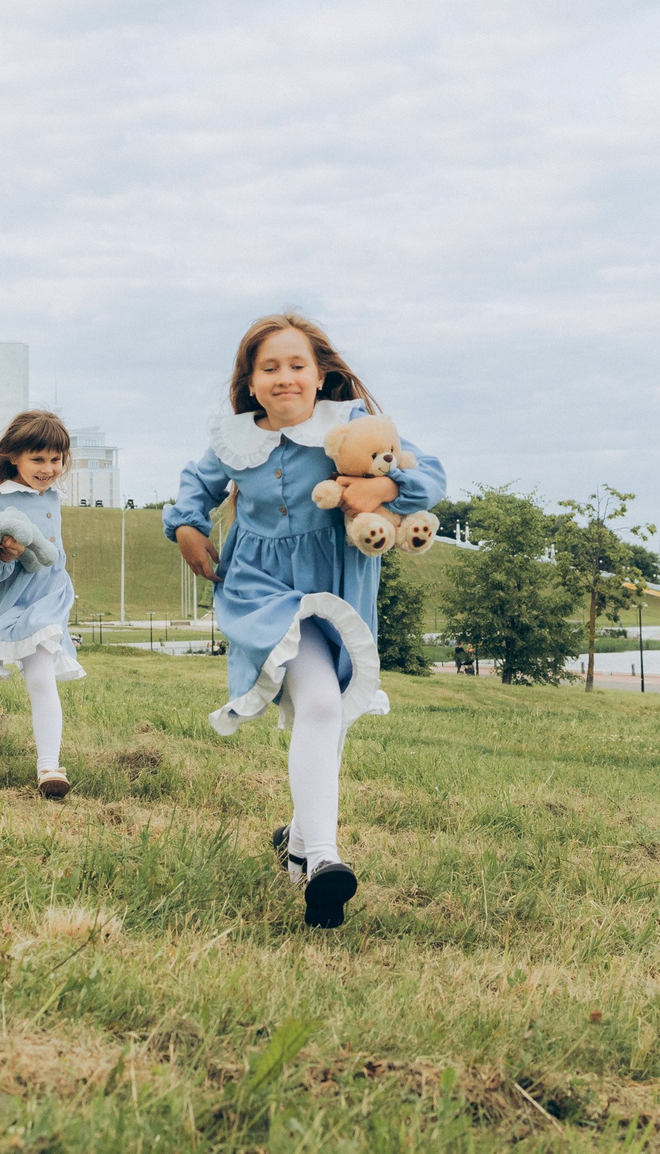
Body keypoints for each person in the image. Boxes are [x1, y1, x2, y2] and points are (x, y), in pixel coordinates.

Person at [166, 313, 444, 927]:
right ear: (250, 380)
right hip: (261, 589)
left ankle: (297, 839)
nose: (284, 378)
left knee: (331, 713)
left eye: (297, 366)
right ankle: (323, 861)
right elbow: (197, 485)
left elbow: (429, 478)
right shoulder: (235, 440)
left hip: (338, 586)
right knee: (318, 702)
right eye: (270, 368)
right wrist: (187, 527)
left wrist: (385, 491)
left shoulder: (350, 428)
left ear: (321, 377)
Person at [0, 410, 84, 798]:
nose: (48, 469)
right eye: (38, 460)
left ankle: (49, 768)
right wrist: (1, 558)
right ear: (14, 457)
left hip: (44, 601)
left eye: (56, 460)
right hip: (0, 602)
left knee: (41, 676)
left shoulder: (52, 495)